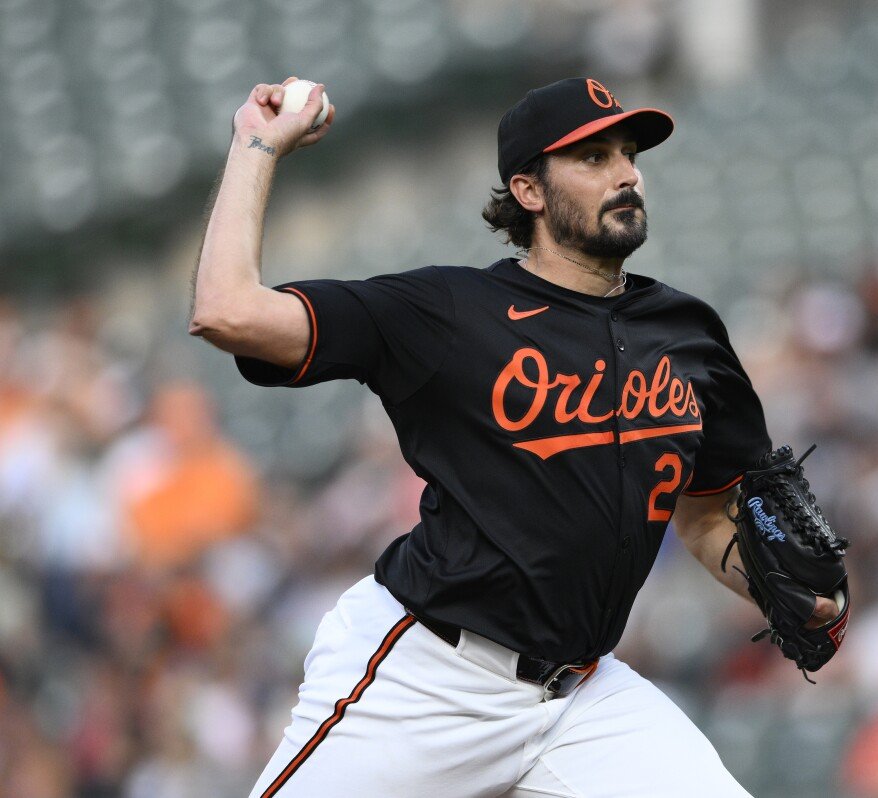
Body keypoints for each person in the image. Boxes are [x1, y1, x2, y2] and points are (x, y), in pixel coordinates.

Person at [190, 75, 836, 798]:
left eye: (628, 153)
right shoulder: (447, 314)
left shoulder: (687, 334)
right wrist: (256, 143)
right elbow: (227, 311)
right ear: (528, 191)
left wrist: (779, 587)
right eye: (592, 158)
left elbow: (708, 511)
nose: (625, 172)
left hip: (583, 697)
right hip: (433, 679)